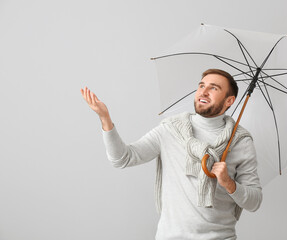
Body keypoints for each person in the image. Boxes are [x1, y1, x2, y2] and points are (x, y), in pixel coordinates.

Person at [81, 69, 262, 240]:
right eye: (201, 86)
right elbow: (123, 158)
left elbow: (254, 202)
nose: (204, 92)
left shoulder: (240, 141)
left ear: (229, 101)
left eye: (213, 88)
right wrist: (105, 119)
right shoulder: (171, 129)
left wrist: (229, 183)